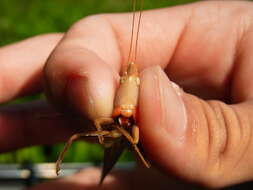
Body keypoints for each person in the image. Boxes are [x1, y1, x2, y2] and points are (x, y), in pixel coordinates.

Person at [0, 1, 253, 189]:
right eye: (125, 77)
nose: (127, 78)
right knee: (76, 131)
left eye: (129, 78)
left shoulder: (138, 88)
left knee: (107, 137)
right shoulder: (122, 82)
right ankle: (65, 164)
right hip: (114, 131)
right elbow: (101, 116)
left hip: (127, 135)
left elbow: (135, 131)